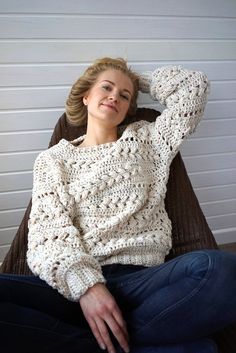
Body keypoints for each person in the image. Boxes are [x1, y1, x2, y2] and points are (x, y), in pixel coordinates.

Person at [0, 57, 236, 353]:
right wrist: (88, 288)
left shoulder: (149, 140)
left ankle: (100, 339)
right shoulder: (53, 160)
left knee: (222, 270)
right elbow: (46, 237)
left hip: (145, 283)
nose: (115, 96)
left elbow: (193, 87)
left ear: (129, 107)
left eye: (124, 95)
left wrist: (137, 80)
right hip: (77, 288)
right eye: (106, 87)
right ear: (86, 96)